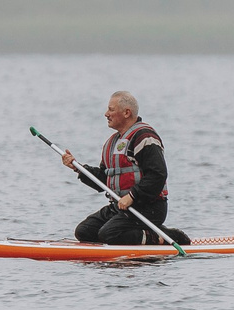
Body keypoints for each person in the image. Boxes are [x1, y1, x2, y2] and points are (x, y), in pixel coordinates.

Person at [61, 90, 184, 246]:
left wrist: (132, 196)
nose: (106, 114)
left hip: (148, 207)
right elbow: (104, 180)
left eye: (111, 110)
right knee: (84, 232)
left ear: (127, 113)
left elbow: (158, 174)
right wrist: (78, 168)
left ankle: (165, 236)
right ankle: (133, 234)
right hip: (120, 207)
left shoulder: (145, 137)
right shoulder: (112, 143)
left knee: (109, 234)